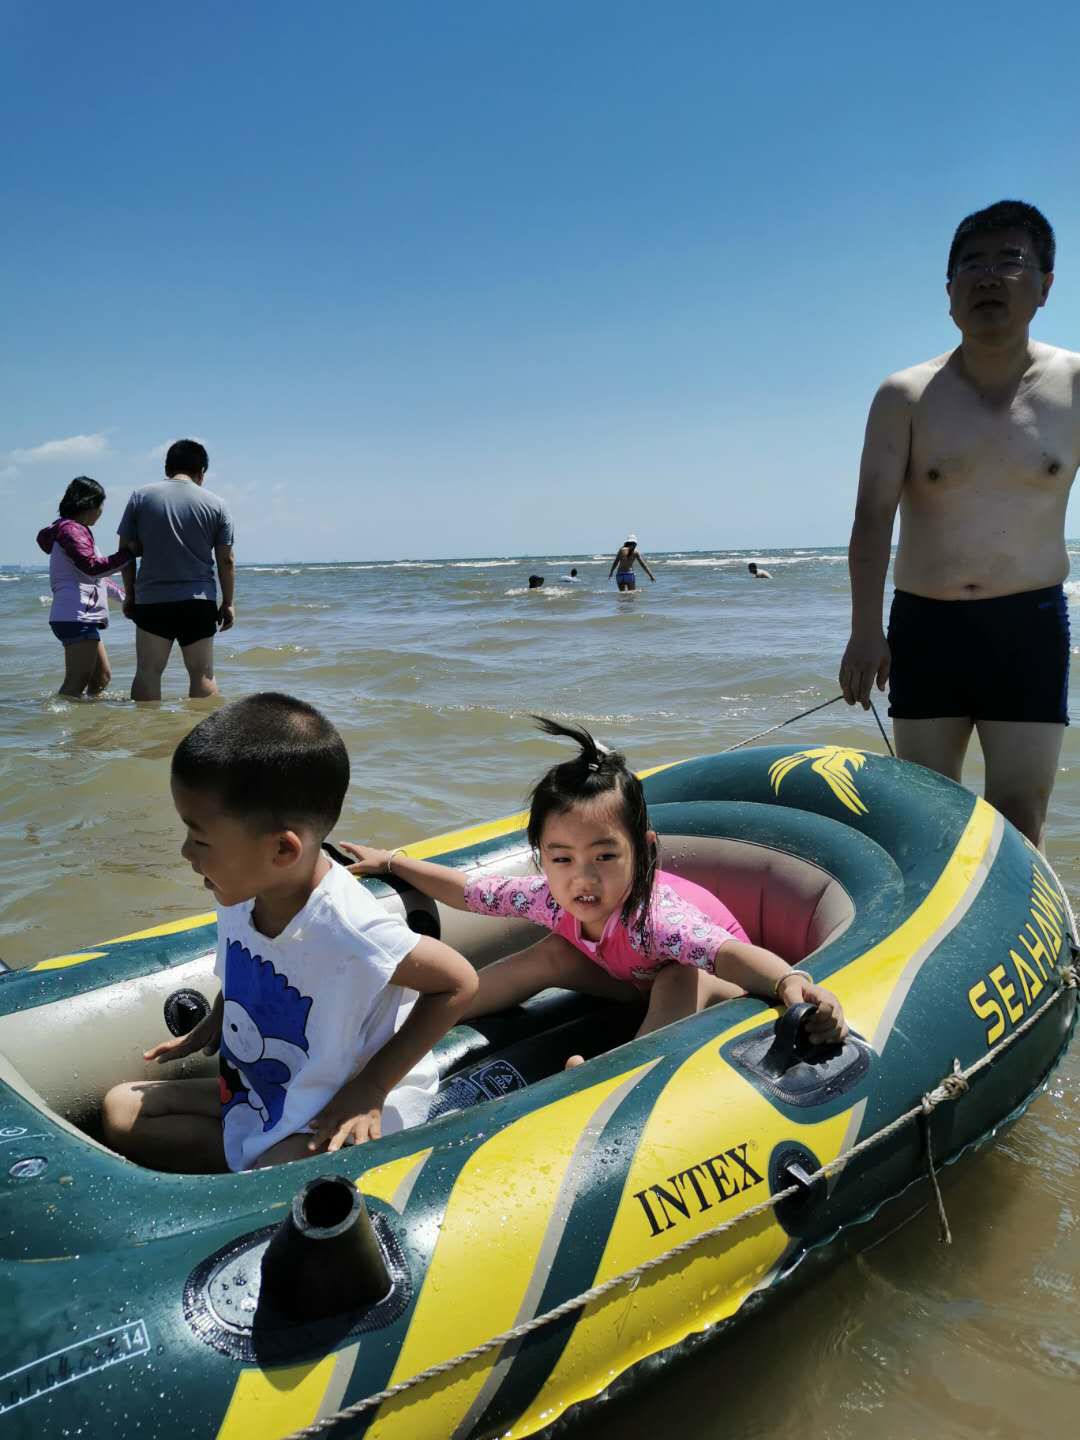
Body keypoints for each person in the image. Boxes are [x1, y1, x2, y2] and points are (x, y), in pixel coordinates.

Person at [101, 693, 477, 1173]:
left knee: (268, 1175)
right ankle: (236, 1173)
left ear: (282, 850)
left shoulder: (349, 928)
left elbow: (459, 982)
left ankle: (245, 1185)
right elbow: (252, 966)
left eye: (199, 839)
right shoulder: (240, 890)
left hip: (329, 1106)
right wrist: (217, 1019)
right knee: (122, 1109)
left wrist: (372, 1089)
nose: (185, 852)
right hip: (266, 1093)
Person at [342, 717, 846, 1068]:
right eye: (562, 859)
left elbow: (729, 954)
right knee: (550, 953)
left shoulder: (657, 916)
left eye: (605, 856)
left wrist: (788, 983)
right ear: (541, 856)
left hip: (715, 986)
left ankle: (619, 1072)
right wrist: (393, 862)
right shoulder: (546, 895)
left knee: (679, 976)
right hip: (628, 973)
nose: (582, 878)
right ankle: (426, 1012)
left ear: (642, 851)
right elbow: (469, 892)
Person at [838, 199, 1079, 849]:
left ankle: (1033, 945)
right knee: (925, 815)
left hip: (1031, 625)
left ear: (1046, 285)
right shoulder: (905, 395)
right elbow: (871, 520)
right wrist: (865, 631)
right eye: (971, 263)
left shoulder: (1076, 385)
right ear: (949, 293)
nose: (989, 276)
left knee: (1020, 812)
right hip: (927, 625)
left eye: (1010, 260)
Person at [118, 439, 236, 702]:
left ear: (167, 467)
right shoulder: (216, 504)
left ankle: (149, 738)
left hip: (152, 601)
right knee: (202, 675)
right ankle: (203, 740)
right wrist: (228, 603)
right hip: (198, 601)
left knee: (148, 672)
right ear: (201, 471)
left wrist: (130, 594)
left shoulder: (141, 496)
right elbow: (226, 560)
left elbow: (125, 552)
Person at [36, 477, 135, 698]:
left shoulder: (75, 531)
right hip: (76, 615)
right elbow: (92, 568)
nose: (101, 512)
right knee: (76, 681)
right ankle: (63, 723)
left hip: (80, 616)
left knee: (102, 677)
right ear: (89, 503)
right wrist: (128, 554)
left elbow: (98, 579)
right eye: (100, 505)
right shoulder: (72, 531)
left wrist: (127, 598)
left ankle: (88, 724)